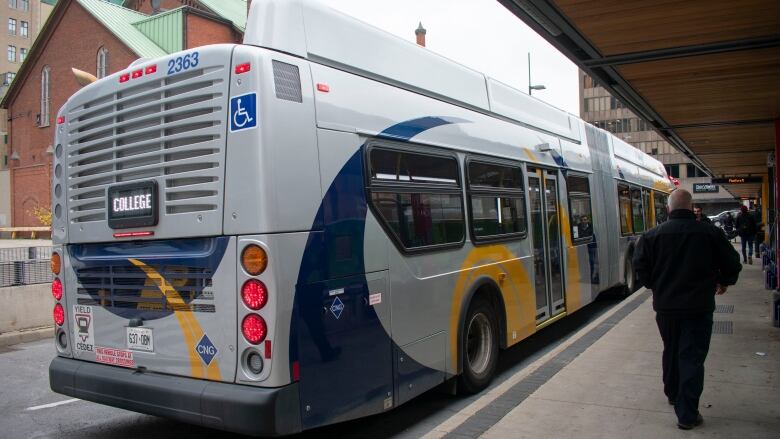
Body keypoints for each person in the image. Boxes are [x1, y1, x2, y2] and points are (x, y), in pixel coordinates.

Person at [633, 189, 741, 430]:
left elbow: (641, 268)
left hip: (666, 307)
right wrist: (724, 280)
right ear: (692, 208)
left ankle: (672, 392)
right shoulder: (710, 233)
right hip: (699, 307)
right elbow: (733, 262)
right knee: (691, 356)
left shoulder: (651, 236)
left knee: (671, 349)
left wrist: (656, 285)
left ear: (669, 209)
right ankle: (687, 414)